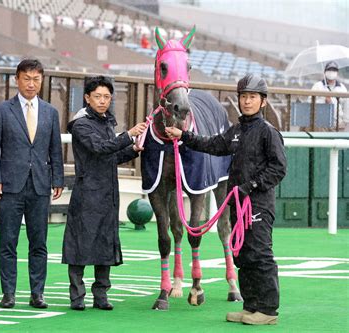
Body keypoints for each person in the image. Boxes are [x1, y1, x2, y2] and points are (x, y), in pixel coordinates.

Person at [165, 74, 286, 325]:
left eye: (252, 97)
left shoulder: (268, 132)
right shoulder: (237, 130)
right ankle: (251, 306)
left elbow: (278, 168)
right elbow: (213, 145)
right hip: (237, 204)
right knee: (242, 254)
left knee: (260, 254)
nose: (247, 101)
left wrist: (250, 186)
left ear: (263, 102)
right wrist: (183, 135)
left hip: (258, 204)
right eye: (243, 97)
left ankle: (268, 310)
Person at [62, 76, 147, 311]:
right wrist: (128, 135)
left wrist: (133, 150)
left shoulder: (107, 122)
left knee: (104, 243)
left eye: (107, 97)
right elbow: (99, 149)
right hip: (87, 192)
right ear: (87, 98)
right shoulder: (81, 124)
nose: (102, 101)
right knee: (80, 244)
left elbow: (110, 157)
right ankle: (77, 297)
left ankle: (101, 295)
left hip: (108, 193)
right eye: (98, 96)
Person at [0, 59, 64, 309]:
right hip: (9, 185)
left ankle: (37, 293)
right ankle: (8, 293)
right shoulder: (2, 110)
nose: (31, 84)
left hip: (40, 186)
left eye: (36, 79)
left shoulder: (51, 112)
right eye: (27, 79)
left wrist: (58, 179)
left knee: (38, 242)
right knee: (8, 241)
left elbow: (55, 150)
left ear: (42, 81)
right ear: (17, 79)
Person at [310, 61, 348, 130]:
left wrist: (345, 122)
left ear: (337, 72)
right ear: (325, 72)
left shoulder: (342, 88)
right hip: (320, 123)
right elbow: (310, 103)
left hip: (337, 124)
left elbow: (346, 106)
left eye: (334, 70)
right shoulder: (317, 86)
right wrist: (323, 101)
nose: (331, 72)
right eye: (329, 70)